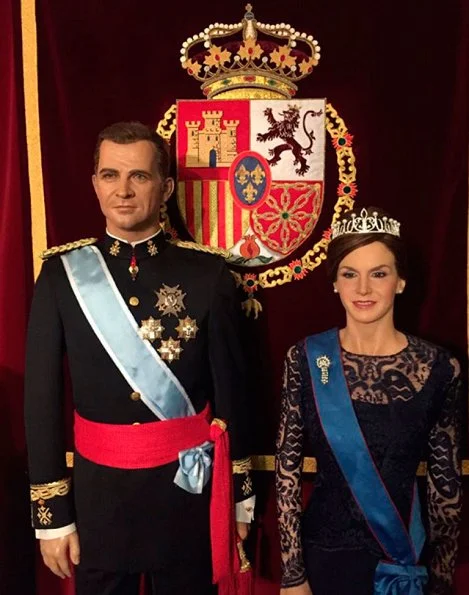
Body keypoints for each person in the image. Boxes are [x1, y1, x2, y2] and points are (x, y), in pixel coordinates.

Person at [24, 121, 255, 595]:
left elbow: (233, 396)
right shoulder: (62, 274)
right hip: (99, 505)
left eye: (139, 177)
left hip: (186, 500)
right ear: (94, 183)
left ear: (166, 187)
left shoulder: (208, 274)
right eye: (110, 176)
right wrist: (52, 517)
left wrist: (237, 501)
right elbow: (41, 400)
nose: (123, 191)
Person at [275, 206, 462, 595]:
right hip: (324, 558)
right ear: (334, 282)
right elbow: (287, 473)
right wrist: (293, 575)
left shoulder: (440, 367)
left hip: (404, 561)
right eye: (349, 274)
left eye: (379, 273)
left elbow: (447, 490)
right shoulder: (307, 358)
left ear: (400, 281)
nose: (363, 289)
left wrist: (441, 580)